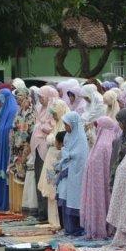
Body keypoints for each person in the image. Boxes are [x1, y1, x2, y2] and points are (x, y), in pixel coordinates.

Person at [80, 116, 117, 239]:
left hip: (102, 184)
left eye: (98, 126)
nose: (96, 129)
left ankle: (102, 228)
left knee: (103, 202)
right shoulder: (101, 143)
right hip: (97, 184)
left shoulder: (104, 145)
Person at [37, 100, 69, 228]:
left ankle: (58, 221)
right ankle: (52, 220)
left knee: (56, 190)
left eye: (55, 114)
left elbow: (63, 144)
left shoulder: (65, 125)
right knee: (50, 188)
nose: (54, 116)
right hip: (51, 161)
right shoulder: (57, 124)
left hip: (57, 161)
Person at [30, 85, 59, 221]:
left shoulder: (55, 110)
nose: (40, 99)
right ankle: (42, 212)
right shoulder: (40, 109)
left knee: (49, 181)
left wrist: (40, 126)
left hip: (49, 151)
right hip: (38, 148)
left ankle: (49, 214)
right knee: (39, 180)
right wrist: (40, 126)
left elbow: (51, 127)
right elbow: (38, 126)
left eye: (42, 97)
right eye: (39, 97)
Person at [59, 112, 89, 236]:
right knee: (66, 197)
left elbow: (81, 156)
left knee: (75, 200)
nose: (65, 127)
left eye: (67, 124)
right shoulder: (67, 136)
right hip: (67, 172)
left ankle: (77, 228)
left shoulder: (81, 138)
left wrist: (69, 155)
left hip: (77, 174)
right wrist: (66, 155)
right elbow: (65, 149)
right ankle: (68, 228)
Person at [0, 89, 18, 211]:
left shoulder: (12, 110)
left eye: (0, 101)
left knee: (4, 173)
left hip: (6, 148)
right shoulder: (0, 112)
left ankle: (5, 203)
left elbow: (9, 129)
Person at [8, 88, 35, 214]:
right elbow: (15, 127)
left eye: (19, 97)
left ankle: (24, 207)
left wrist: (22, 142)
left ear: (25, 97)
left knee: (24, 176)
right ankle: (16, 206)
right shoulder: (19, 111)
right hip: (16, 148)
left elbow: (30, 131)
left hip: (26, 147)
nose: (17, 100)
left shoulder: (31, 112)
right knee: (16, 173)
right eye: (17, 98)